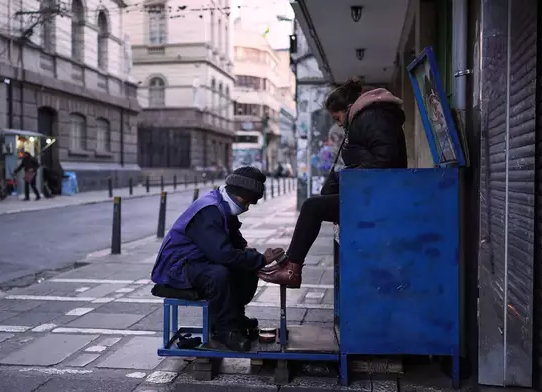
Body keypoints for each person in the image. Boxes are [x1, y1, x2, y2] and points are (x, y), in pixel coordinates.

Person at [257, 77, 408, 288]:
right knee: (318, 204)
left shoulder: (372, 116)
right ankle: (291, 266)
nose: (338, 123)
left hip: (379, 196)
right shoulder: (370, 115)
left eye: (337, 117)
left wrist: (343, 176)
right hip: (375, 191)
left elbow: (385, 161)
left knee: (311, 207)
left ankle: (292, 270)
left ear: (348, 108)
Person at [151, 166, 285, 352]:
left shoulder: (223, 205)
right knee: (218, 274)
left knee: (246, 265)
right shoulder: (209, 210)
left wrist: (252, 255)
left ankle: (234, 317)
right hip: (177, 267)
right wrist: (261, 259)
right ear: (238, 194)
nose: (246, 207)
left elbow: (236, 240)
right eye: (246, 202)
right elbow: (223, 254)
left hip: (197, 260)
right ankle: (225, 331)